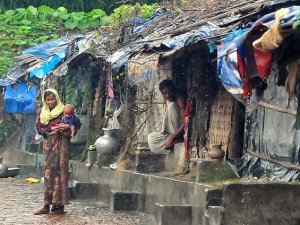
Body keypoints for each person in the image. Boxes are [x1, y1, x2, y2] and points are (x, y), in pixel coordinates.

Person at [34, 89, 80, 215]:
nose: (50, 102)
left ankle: (59, 206)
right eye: (48, 100)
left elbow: (77, 123)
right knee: (48, 172)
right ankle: (46, 205)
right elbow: (39, 129)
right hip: (49, 145)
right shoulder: (42, 113)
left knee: (61, 172)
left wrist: (67, 127)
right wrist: (51, 129)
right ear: (44, 101)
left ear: (57, 99)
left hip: (63, 145)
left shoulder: (65, 110)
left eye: (52, 99)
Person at [148, 79, 185, 153]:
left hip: (178, 133)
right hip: (169, 134)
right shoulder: (166, 98)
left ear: (173, 90)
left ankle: (175, 140)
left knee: (171, 105)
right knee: (151, 137)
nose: (168, 95)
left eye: (169, 92)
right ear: (162, 93)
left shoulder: (179, 99)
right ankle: (170, 143)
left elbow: (185, 122)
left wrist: (172, 137)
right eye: (165, 93)